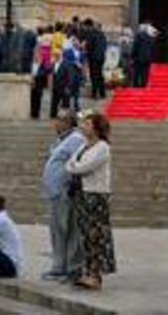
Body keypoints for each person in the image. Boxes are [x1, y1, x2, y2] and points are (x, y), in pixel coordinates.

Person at [65, 113, 116, 290]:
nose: (83, 126)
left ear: (96, 128)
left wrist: (74, 168)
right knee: (85, 235)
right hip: (82, 194)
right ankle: (87, 272)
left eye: (87, 124)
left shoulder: (103, 147)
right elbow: (69, 163)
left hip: (95, 195)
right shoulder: (83, 145)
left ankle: (96, 275)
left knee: (96, 236)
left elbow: (84, 167)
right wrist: (74, 168)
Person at [41, 111, 86, 281]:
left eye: (59, 120)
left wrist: (70, 185)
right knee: (57, 230)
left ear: (68, 122)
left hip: (65, 191)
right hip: (54, 192)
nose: (56, 123)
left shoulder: (76, 139)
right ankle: (59, 266)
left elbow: (77, 163)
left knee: (68, 229)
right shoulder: (60, 140)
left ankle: (72, 267)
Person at [132, 23, 154, 88]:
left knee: (137, 72)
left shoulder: (138, 36)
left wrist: (133, 56)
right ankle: (144, 85)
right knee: (145, 73)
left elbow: (135, 47)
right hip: (147, 58)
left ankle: (136, 86)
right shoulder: (150, 37)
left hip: (139, 57)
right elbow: (152, 48)